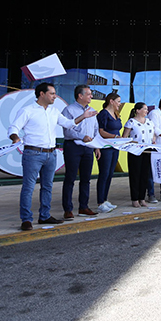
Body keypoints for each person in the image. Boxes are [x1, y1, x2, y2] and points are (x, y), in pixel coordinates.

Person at [8, 82, 98, 231]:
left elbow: (68, 124)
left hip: (51, 153)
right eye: (52, 93)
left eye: (55, 93)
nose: (55, 96)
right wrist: (15, 137)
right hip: (33, 153)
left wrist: (83, 116)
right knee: (29, 187)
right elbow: (14, 127)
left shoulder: (54, 111)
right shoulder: (27, 110)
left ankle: (44, 215)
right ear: (42, 94)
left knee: (47, 187)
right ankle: (26, 219)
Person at [61, 84, 101, 220]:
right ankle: (68, 209)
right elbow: (67, 130)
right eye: (89, 94)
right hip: (73, 146)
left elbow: (95, 130)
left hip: (88, 148)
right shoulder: (69, 110)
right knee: (70, 178)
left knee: (86, 179)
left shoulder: (92, 110)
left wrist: (96, 146)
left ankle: (83, 206)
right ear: (80, 95)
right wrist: (81, 136)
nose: (91, 96)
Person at [122, 102, 155, 208]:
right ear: (137, 110)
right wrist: (132, 142)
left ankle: (142, 198)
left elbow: (153, 135)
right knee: (135, 175)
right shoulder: (131, 122)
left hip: (147, 149)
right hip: (135, 151)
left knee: (145, 175)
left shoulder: (149, 122)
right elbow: (125, 137)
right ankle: (135, 199)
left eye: (147, 109)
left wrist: (153, 140)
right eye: (144, 109)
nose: (146, 111)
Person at [96, 92, 122, 213]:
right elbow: (101, 131)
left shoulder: (116, 114)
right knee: (104, 173)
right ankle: (100, 202)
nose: (119, 104)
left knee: (110, 173)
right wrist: (114, 136)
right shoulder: (103, 114)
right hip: (105, 147)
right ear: (111, 101)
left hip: (114, 147)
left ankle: (105, 199)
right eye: (118, 101)